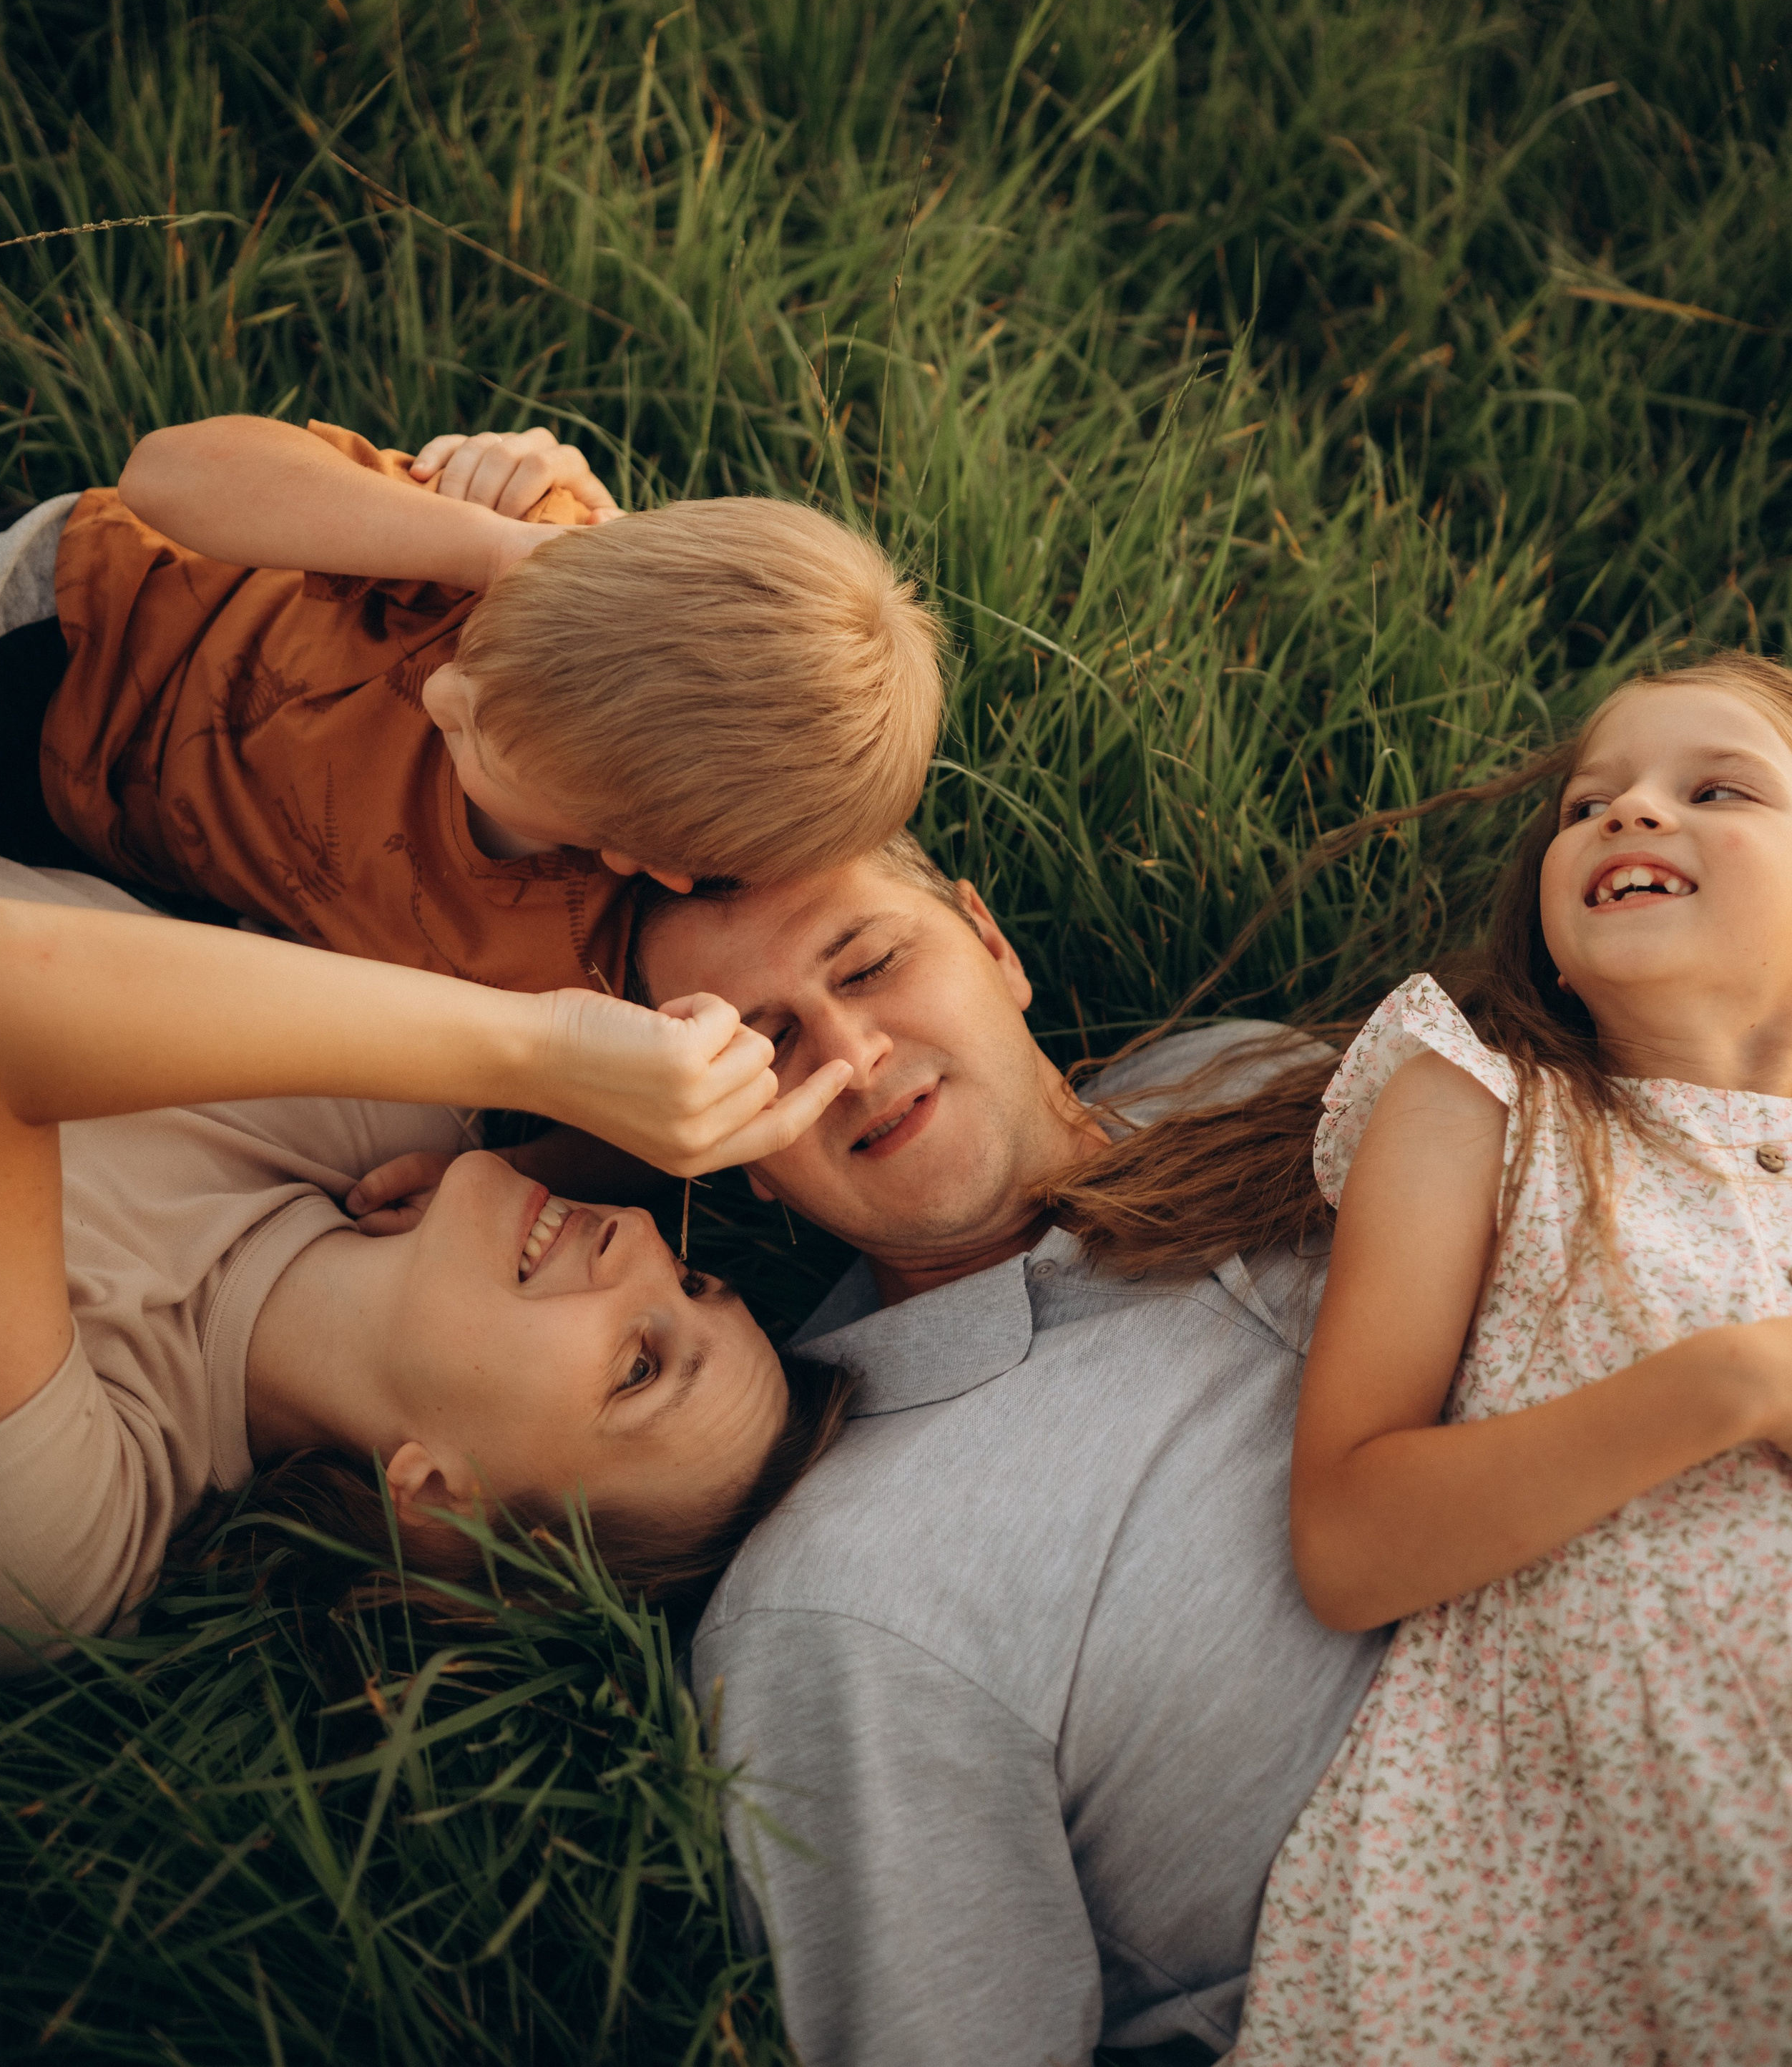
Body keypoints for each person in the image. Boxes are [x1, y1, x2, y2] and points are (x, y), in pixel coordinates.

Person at [358, 831, 1393, 2063]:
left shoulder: (1246, 1069)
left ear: (992, 943)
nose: (852, 1060)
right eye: (764, 1048)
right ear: (726, 1146)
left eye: (870, 963)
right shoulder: (841, 1598)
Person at [1227, 650, 1792, 2063]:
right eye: (1585, 802)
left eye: (1710, 786)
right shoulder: (1485, 1103)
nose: (1623, 814)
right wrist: (1730, 1380)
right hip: (1569, 1906)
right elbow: (1348, 1538)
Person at [0, 842, 853, 1678]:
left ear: (438, 1501)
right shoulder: (397, 1118)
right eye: (695, 1278)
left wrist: (542, 1051)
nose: (640, 1238)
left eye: (637, 1368)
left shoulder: (67, 1548)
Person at [0, 417, 943, 1002]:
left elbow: (620, 1123)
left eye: (480, 737)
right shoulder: (506, 555)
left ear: (637, 854)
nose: (439, 688)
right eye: (479, 654)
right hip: (69, 646)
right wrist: (474, 545)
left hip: (107, 852)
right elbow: (163, 472)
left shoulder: (581, 946)